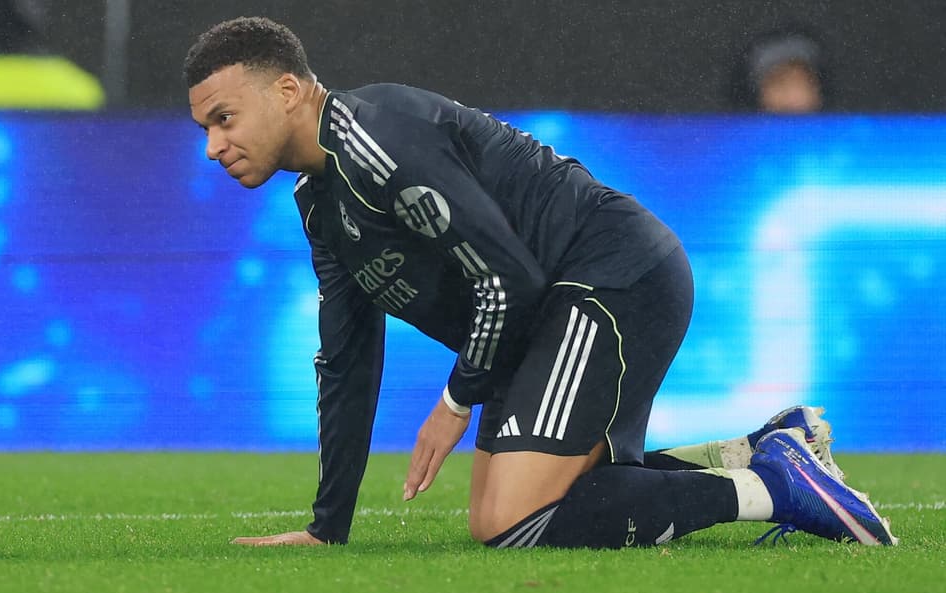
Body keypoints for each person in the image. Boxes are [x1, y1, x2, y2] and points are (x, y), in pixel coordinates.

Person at [183, 17, 896, 549]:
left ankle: (772, 488)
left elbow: (508, 275)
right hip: (543, 316)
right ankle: (761, 449)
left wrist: (454, 401)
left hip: (610, 275)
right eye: (205, 128)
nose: (213, 145)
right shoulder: (320, 201)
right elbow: (346, 358)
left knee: (514, 519)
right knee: (505, 511)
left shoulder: (379, 137)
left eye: (224, 118)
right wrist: (326, 526)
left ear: (287, 89)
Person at [731, 27, 827, 114]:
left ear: (816, 90)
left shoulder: (837, 130)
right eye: (779, 84)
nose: (790, 96)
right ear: (760, 94)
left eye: (798, 83)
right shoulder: (744, 132)